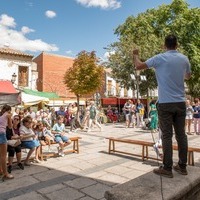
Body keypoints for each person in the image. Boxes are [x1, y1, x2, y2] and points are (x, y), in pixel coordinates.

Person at [133, 34, 191, 178]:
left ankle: (167, 168)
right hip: (180, 102)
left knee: (166, 135)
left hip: (165, 103)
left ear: (164, 45)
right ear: (176, 45)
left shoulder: (159, 58)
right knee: (181, 135)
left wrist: (135, 55)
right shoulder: (184, 59)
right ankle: (182, 167)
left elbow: (138, 66)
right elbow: (188, 76)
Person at [0, 104, 14, 181]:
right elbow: (10, 126)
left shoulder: (1, 116)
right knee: (3, 156)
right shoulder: (7, 115)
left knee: (0, 155)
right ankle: (6, 173)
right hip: (2, 134)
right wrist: (10, 117)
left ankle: (1, 170)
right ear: (9, 110)